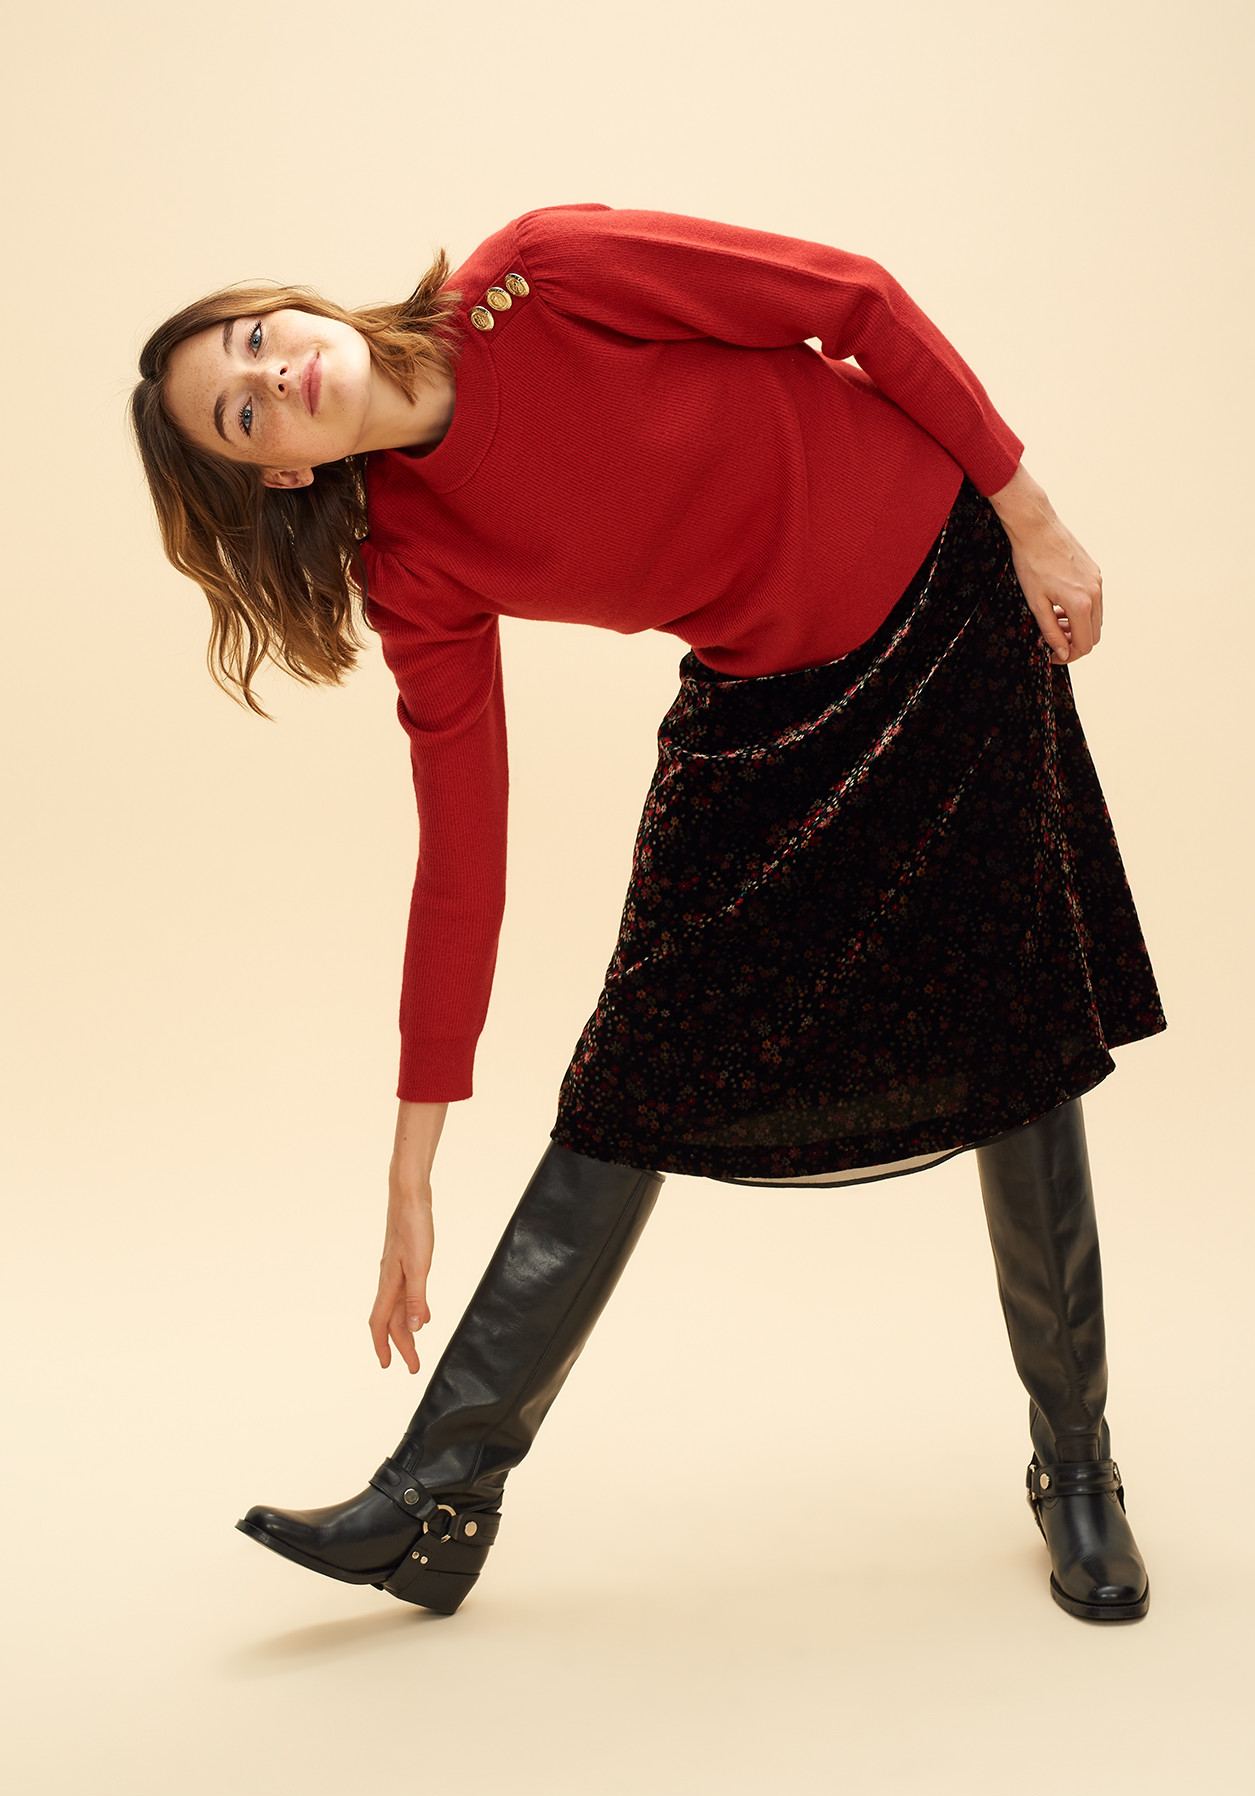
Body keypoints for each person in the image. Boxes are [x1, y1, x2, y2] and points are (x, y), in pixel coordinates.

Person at [131, 203, 1165, 1625]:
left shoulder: (539, 276)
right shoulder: (412, 562)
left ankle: (1080, 1469)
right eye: (241, 412)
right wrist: (412, 1164)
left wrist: (1031, 520)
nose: (273, 374)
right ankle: (436, 1501)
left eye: (257, 339)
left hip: (947, 597)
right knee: (635, 1071)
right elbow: (462, 853)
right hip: (763, 696)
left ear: (297, 307)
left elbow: (851, 299)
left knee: (1014, 1024)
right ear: (283, 469)